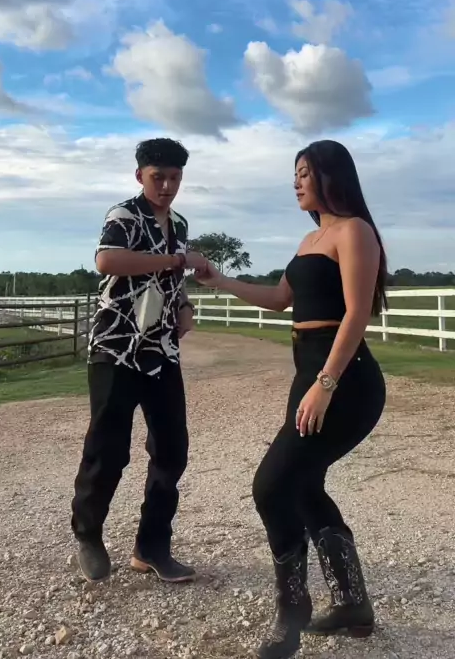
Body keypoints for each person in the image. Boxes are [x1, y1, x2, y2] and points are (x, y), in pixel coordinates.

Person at [194, 139, 387, 659]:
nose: (296, 182)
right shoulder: (311, 238)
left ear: (330, 176)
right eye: (295, 174)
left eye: (304, 172)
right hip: (311, 375)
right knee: (302, 485)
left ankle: (293, 610)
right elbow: (280, 299)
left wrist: (326, 384)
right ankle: (352, 604)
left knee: (271, 485)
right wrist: (219, 280)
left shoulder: (354, 231)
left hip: (345, 380)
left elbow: (356, 313)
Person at [71, 137, 206, 585]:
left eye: (174, 178)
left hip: (161, 349)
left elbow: (174, 279)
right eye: (157, 177)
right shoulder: (124, 215)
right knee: (108, 448)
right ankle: (88, 534)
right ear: (140, 176)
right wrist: (177, 258)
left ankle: (151, 547)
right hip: (116, 347)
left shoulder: (179, 224)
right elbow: (107, 260)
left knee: (172, 448)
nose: (166, 186)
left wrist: (184, 306)